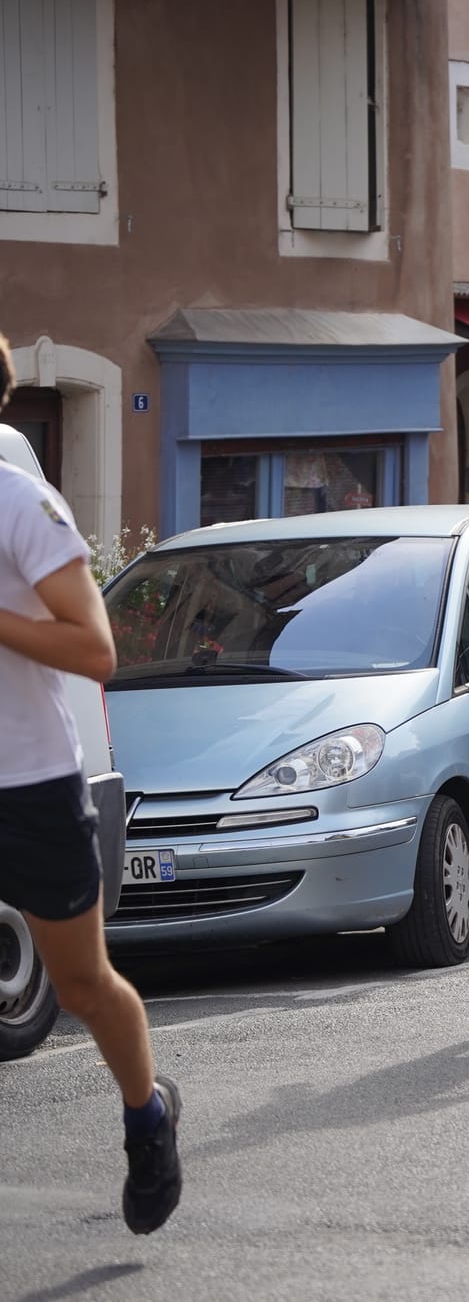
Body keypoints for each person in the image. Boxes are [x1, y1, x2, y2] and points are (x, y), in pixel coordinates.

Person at [0, 335, 183, 1234]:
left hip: (27, 782)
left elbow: (97, 651)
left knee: (79, 984)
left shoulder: (21, 503)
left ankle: (146, 1115)